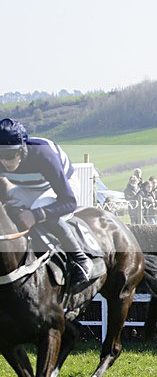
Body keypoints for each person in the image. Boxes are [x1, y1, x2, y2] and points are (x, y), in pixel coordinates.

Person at [0, 118, 105, 288]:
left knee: (39, 210)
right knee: (9, 210)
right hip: (28, 187)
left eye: (9, 155)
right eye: (0, 155)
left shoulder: (44, 155)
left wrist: (35, 215)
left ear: (22, 149)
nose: (4, 162)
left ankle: (81, 259)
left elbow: (68, 202)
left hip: (62, 185)